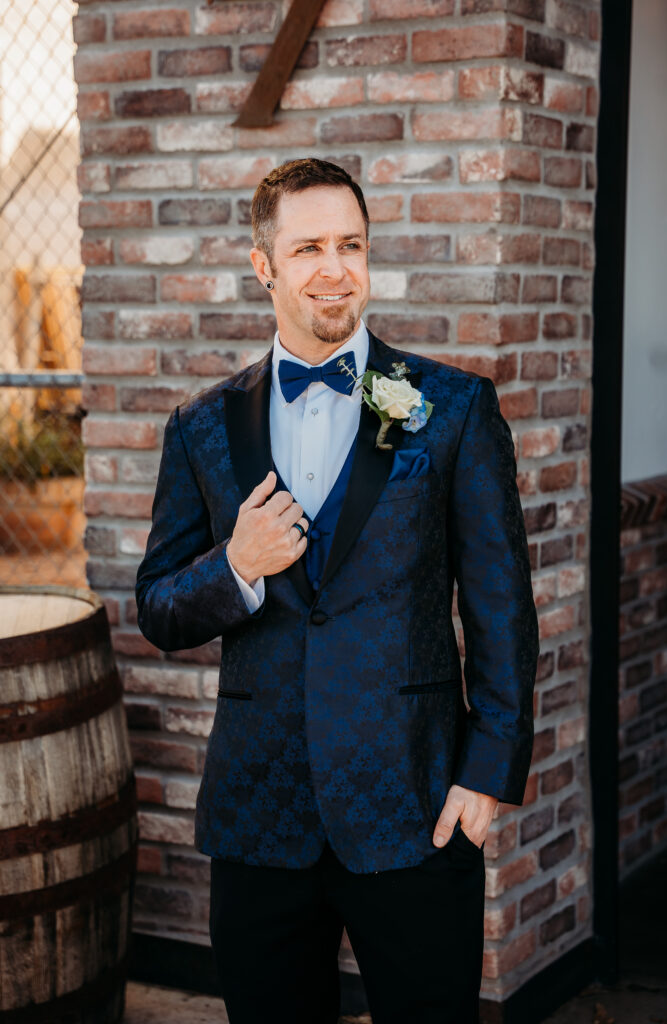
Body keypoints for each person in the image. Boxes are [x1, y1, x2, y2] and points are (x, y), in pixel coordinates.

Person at [136, 158, 539, 1024]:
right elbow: (159, 610)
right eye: (308, 246)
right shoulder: (201, 427)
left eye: (350, 245)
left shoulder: (453, 408)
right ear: (263, 266)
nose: (333, 267)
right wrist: (236, 565)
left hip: (417, 803)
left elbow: (500, 604)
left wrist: (486, 774)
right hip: (258, 815)